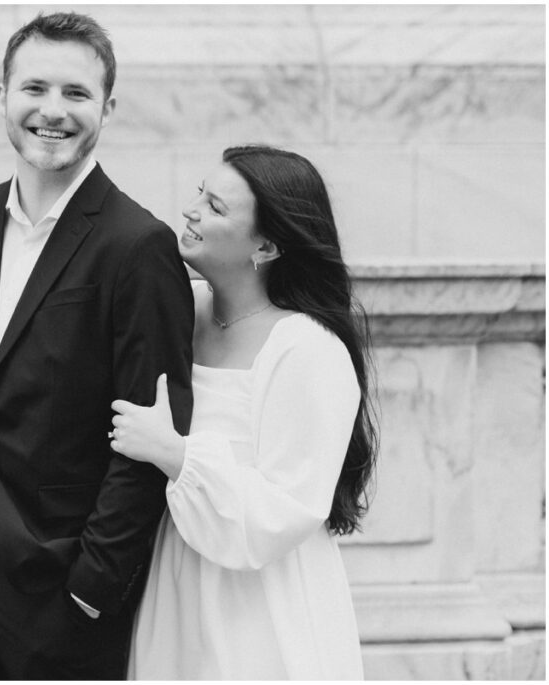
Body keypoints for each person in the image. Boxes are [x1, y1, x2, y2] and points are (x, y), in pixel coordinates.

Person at [0, 12, 195, 680]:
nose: (52, 111)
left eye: (76, 94)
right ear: (2, 94)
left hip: (59, 591)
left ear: (108, 108)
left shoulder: (137, 247)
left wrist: (94, 585)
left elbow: (154, 434)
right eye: (34, 88)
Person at [110, 145, 378, 679]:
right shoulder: (179, 311)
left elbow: (288, 506)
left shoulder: (307, 349)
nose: (190, 211)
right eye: (199, 193)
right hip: (172, 585)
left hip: (258, 606)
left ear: (267, 245)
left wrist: (176, 454)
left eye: (215, 206)